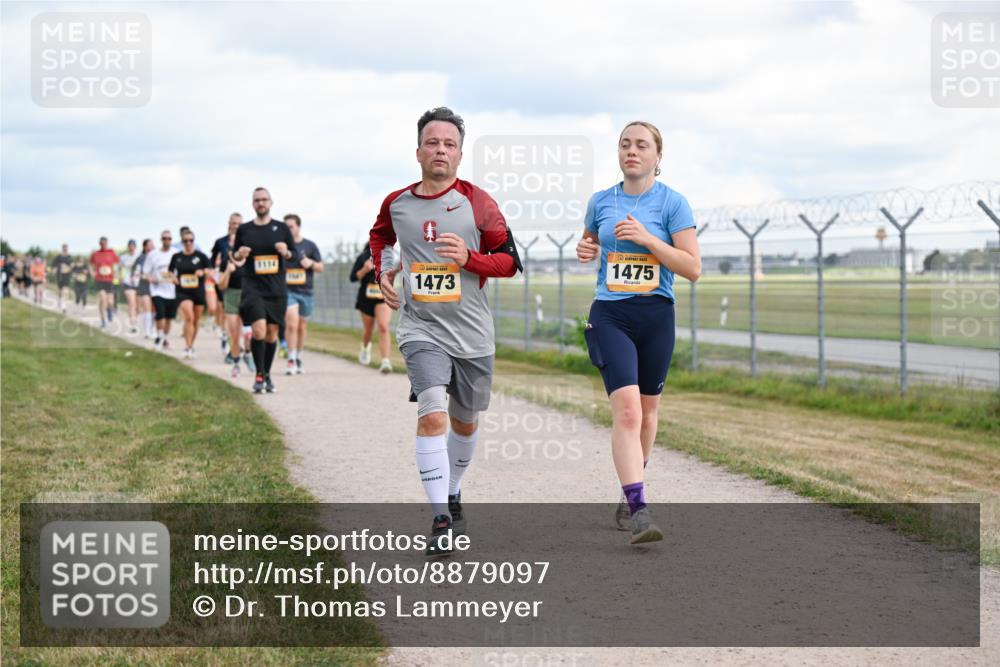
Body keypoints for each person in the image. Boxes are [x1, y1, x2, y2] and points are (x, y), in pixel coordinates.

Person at [370, 107, 521, 556]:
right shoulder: (397, 203)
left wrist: (469, 259)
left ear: (459, 154)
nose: (440, 150)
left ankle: (453, 490)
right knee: (432, 412)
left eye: (449, 144)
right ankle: (440, 519)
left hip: (472, 333)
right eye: (432, 142)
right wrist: (385, 271)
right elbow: (381, 237)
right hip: (421, 328)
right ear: (418, 151)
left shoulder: (479, 203)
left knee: (464, 422)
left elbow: (510, 263)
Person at [576, 120, 701, 545]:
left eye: (642, 145)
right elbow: (590, 242)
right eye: (625, 144)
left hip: (656, 315)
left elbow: (692, 268)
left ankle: (630, 487)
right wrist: (586, 248)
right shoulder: (601, 201)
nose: (632, 151)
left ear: (657, 156)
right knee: (628, 412)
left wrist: (648, 239)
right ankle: (639, 509)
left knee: (648, 414)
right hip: (611, 313)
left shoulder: (673, 203)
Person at [231, 187, 295, 394]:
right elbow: (235, 256)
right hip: (253, 288)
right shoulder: (245, 230)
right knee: (259, 329)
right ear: (252, 204)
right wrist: (239, 254)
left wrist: (286, 252)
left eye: (264, 199)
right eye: (257, 200)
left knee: (272, 333)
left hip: (276, 289)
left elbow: (293, 254)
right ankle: (259, 374)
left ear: (270, 202)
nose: (261, 203)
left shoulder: (281, 228)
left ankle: (267, 374)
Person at [282, 214, 324, 375]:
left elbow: (320, 267)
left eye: (291, 226)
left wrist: (310, 264)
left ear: (298, 227)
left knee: (301, 326)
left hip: (306, 292)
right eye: (285, 227)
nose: (288, 230)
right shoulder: (282, 247)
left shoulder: (310, 246)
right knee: (292, 324)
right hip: (288, 291)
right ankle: (291, 358)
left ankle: (298, 356)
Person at [168, 229, 211, 359]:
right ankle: (187, 346)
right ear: (182, 242)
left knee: (196, 321)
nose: (188, 243)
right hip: (182, 291)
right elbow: (170, 271)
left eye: (190, 240)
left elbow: (210, 270)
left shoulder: (201, 256)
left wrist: (202, 272)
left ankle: (191, 345)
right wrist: (173, 278)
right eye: (185, 241)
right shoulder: (177, 257)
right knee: (189, 317)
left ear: (194, 241)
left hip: (197, 291)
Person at [350, 244, 393, 372]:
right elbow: (352, 277)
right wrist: (364, 269)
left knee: (383, 327)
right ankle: (365, 348)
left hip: (383, 296)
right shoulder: (363, 257)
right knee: (369, 330)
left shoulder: (391, 256)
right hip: (366, 298)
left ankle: (385, 361)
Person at [211, 214, 242, 355]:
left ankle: (233, 341)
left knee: (237, 317)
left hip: (240, 280)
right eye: (234, 223)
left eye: (239, 224)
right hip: (224, 278)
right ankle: (226, 335)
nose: (236, 226)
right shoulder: (220, 242)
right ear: (229, 224)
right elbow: (212, 262)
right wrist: (216, 273)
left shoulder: (244, 243)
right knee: (224, 308)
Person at [143, 230, 178, 350]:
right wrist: (151, 278)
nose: (167, 240)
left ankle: (165, 338)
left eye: (169, 238)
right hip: (157, 290)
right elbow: (146, 272)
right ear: (161, 239)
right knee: (160, 314)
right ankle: (159, 336)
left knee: (168, 318)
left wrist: (176, 279)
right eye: (164, 238)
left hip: (172, 291)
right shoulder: (153, 255)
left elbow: (180, 271)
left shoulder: (175, 253)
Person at [89, 237, 119, 328]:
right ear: (99, 244)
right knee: (102, 299)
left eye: (105, 243)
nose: (104, 245)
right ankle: (103, 320)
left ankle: (109, 310)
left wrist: (117, 275)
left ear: (107, 243)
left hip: (110, 280)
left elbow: (116, 265)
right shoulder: (96, 254)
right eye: (102, 243)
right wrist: (92, 273)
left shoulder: (111, 252)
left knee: (110, 302)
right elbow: (90, 264)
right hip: (99, 279)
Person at [119, 239, 143, 334]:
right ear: (128, 247)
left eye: (133, 246)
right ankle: (133, 324)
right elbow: (119, 268)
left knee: (138, 306)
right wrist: (120, 278)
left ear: (135, 247)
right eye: (130, 246)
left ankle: (135, 319)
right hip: (127, 282)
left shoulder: (139, 256)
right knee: (132, 303)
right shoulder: (124, 257)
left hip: (138, 282)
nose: (131, 247)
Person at [134, 239, 156, 338]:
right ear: (145, 247)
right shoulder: (141, 258)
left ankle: (153, 328)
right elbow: (136, 272)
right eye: (149, 245)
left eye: (152, 245)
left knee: (154, 308)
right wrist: (144, 276)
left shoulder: (157, 257)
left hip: (156, 285)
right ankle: (147, 331)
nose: (152, 247)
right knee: (147, 306)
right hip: (144, 285)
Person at [51, 244, 74, 312]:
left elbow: (72, 266)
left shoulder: (69, 257)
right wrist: (54, 270)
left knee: (65, 290)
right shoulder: (58, 257)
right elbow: (53, 264)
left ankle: (64, 305)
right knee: (60, 290)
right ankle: (59, 300)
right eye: (64, 248)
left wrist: (70, 268)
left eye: (66, 248)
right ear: (62, 249)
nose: (65, 249)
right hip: (59, 275)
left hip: (67, 276)